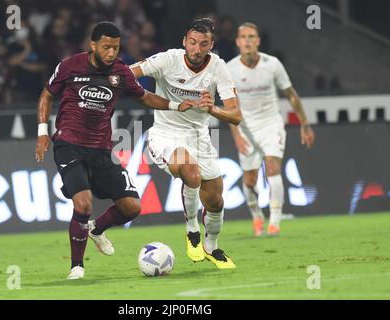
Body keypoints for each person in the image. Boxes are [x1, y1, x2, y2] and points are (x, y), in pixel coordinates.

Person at [35, 21, 197, 280]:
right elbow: (46, 95)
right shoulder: (70, 66)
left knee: (132, 207)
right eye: (107, 47)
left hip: (101, 149)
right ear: (93, 45)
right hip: (70, 144)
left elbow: (144, 96)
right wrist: (43, 132)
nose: (112, 53)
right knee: (83, 203)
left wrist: (177, 106)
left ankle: (96, 229)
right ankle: (77, 266)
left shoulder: (121, 72)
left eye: (116, 48)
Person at [130, 18, 241, 269]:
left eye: (203, 44)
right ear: (184, 42)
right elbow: (128, 73)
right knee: (190, 170)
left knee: (216, 200)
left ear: (211, 45)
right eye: (192, 42)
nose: (196, 49)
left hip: (199, 136)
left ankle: (211, 247)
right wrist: (138, 94)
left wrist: (212, 108)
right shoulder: (168, 60)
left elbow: (235, 115)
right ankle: (192, 230)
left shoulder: (218, 68)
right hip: (165, 134)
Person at [226, 22, 315, 236]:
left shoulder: (272, 64)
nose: (248, 40)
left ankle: (274, 222)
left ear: (258, 41)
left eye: (252, 36)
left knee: (273, 169)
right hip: (246, 127)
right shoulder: (229, 69)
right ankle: (257, 216)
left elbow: (291, 94)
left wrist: (305, 123)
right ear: (238, 42)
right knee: (249, 180)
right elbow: (230, 107)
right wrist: (237, 135)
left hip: (271, 123)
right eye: (244, 37)